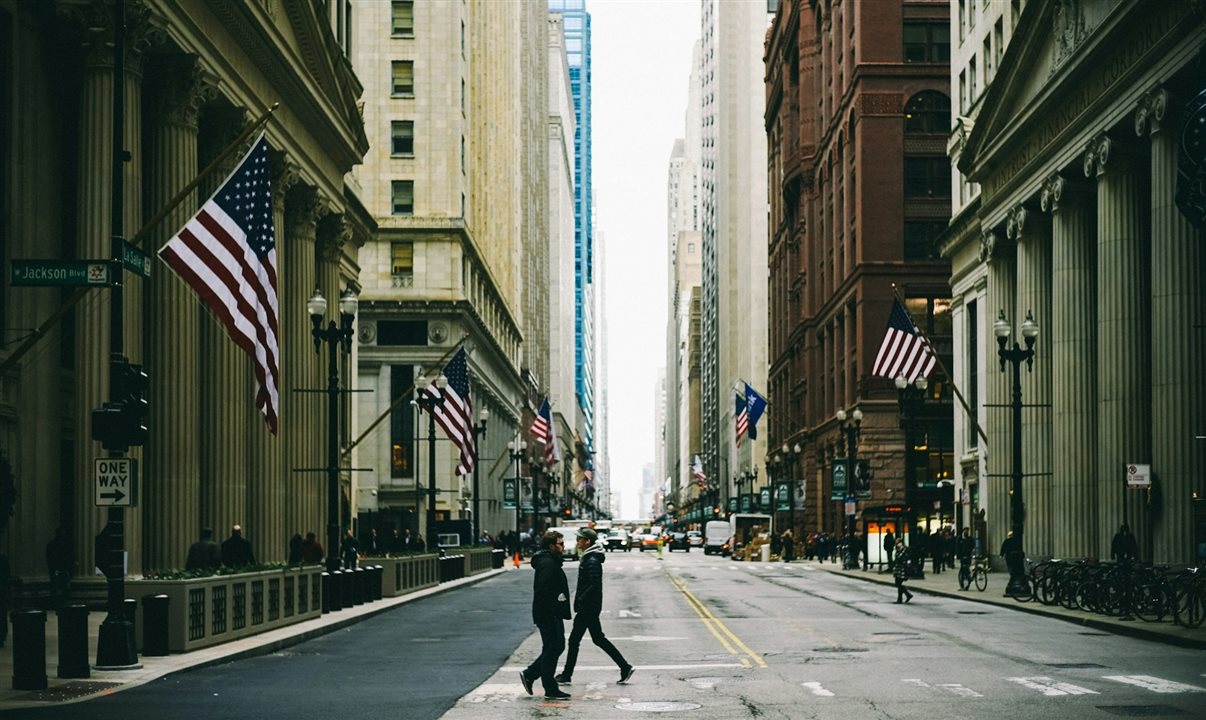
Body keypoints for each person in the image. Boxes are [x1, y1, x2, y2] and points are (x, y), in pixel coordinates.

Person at [555, 528, 635, 686]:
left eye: (579, 539)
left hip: (588, 607)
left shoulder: (591, 560)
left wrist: (581, 600)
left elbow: (593, 583)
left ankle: (567, 674)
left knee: (574, 640)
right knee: (598, 639)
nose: (577, 542)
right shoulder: (590, 557)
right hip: (590, 606)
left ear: (587, 541)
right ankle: (624, 667)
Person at [519, 531, 572, 701]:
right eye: (560, 544)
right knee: (553, 647)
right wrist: (552, 608)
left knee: (556, 646)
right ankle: (549, 688)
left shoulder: (549, 561)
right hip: (548, 613)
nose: (563, 547)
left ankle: (531, 674)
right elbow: (543, 589)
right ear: (551, 546)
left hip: (551, 611)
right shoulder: (548, 563)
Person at [45, 525, 75, 606]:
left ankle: (61, 601)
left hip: (63, 568)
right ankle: (57, 602)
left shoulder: (62, 544)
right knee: (57, 586)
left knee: (63, 587)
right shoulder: (54, 545)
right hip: (57, 568)